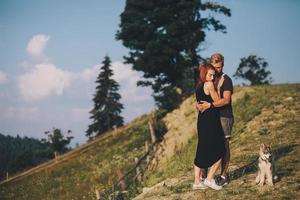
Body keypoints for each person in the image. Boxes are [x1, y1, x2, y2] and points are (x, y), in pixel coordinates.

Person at [198, 53, 234, 186]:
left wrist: (210, 105)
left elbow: (226, 100)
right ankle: (205, 176)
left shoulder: (227, 80)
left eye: (220, 67)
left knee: (224, 145)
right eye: (215, 67)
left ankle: (223, 175)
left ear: (223, 65)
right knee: (208, 143)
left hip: (224, 115)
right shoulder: (208, 79)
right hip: (212, 117)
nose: (218, 69)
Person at [193, 63, 226, 190]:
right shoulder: (210, 85)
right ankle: (209, 179)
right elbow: (219, 102)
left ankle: (196, 182)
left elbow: (198, 104)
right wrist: (218, 86)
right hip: (211, 121)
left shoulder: (198, 86)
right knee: (221, 149)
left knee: (201, 149)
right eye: (210, 75)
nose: (212, 78)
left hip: (201, 120)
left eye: (214, 75)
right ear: (204, 74)